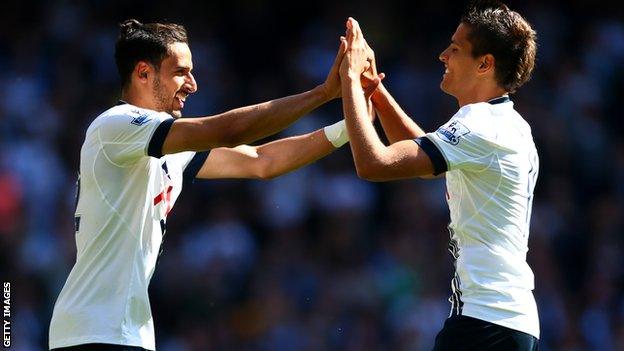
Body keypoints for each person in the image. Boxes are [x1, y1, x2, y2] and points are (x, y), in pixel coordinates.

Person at [49, 19, 380, 351]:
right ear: (143, 73)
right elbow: (228, 131)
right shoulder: (114, 125)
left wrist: (348, 128)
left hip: (122, 332)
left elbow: (261, 161)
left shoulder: (165, 146)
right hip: (93, 332)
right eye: (180, 72)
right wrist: (323, 93)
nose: (192, 84)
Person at [339, 1, 540, 350]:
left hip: (485, 322)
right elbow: (423, 158)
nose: (442, 55)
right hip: (507, 321)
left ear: (484, 64)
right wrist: (375, 91)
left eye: (455, 48)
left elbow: (373, 163)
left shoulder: (480, 124)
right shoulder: (507, 123)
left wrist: (349, 83)